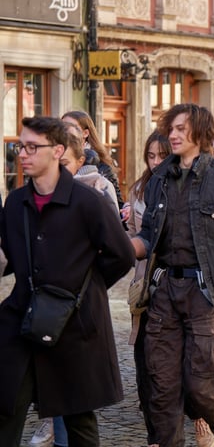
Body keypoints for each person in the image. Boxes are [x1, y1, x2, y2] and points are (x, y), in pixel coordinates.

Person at [129, 104, 214, 447]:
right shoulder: (160, 177)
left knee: (202, 386)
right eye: (170, 129)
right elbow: (147, 237)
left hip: (206, 293)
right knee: (162, 385)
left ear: (201, 132)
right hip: (163, 290)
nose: (173, 135)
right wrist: (119, 244)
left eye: (181, 129)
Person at [0, 116, 134, 446]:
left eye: (33, 147)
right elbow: (10, 256)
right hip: (25, 317)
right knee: (7, 407)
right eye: (21, 146)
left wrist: (85, 288)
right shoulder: (16, 202)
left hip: (77, 325)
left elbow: (122, 256)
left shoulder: (88, 202)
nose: (24, 154)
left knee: (78, 416)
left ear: (58, 150)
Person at [126, 132, 171, 446]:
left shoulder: (185, 186)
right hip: (145, 285)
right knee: (144, 354)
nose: (155, 163)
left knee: (175, 357)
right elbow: (132, 236)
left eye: (161, 156)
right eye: (150, 156)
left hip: (178, 283)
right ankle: (155, 433)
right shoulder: (139, 189)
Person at [61, 110, 124, 206]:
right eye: (62, 127)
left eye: (72, 127)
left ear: (85, 133)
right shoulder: (55, 157)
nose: (66, 131)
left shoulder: (102, 166)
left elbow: (116, 203)